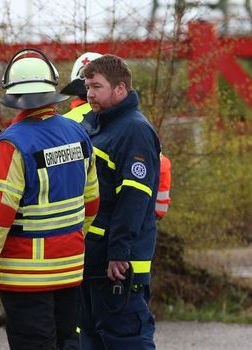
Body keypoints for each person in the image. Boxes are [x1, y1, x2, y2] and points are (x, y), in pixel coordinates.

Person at [0, 48, 99, 350]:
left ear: (12, 95)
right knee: (68, 341)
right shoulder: (78, 134)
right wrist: (72, 240)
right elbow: (91, 201)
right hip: (69, 267)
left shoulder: (10, 145)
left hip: (25, 277)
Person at [76, 54, 160, 350]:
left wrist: (119, 253)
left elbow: (133, 200)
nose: (89, 93)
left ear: (120, 89)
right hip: (94, 261)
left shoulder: (134, 130)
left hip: (120, 267)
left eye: (97, 86)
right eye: (87, 86)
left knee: (127, 340)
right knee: (92, 339)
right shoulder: (97, 126)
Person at [61, 52, 172, 220]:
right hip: (128, 225)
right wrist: (152, 214)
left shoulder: (64, 123)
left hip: (76, 225)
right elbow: (160, 165)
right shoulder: (131, 121)